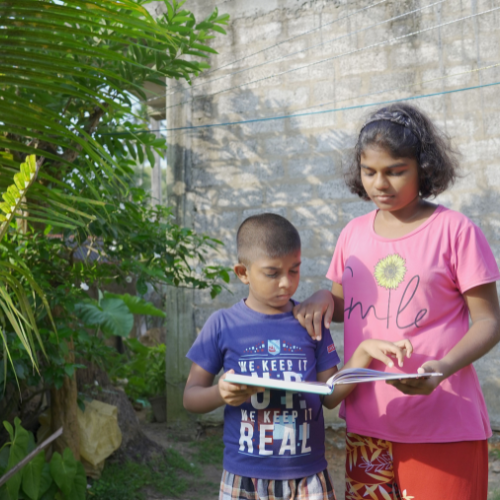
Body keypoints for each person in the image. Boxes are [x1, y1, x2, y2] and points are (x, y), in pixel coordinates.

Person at [294, 103, 500, 500]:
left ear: (423, 167)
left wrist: (440, 368)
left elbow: (489, 322)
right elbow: (343, 306)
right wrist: (323, 296)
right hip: (369, 426)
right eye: (369, 172)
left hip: (442, 424)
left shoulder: (454, 231)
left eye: (395, 171)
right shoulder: (352, 234)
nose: (380, 184)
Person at [183, 213, 413, 500]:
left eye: (294, 270)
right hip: (244, 478)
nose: (285, 283)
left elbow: (329, 395)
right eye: (272, 273)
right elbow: (190, 397)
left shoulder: (310, 322)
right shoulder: (223, 325)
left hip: (307, 479)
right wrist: (221, 393)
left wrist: (363, 355)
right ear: (243, 272)